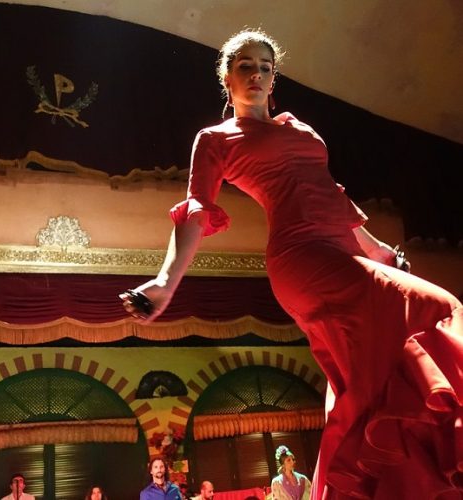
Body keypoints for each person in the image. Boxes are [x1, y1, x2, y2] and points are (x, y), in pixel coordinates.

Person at [121, 29, 463, 499]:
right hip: (300, 257)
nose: (256, 74)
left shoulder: (299, 129)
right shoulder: (216, 139)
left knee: (373, 373)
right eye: (245, 66)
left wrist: (375, 248)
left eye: (265, 66)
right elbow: (196, 210)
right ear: (227, 77)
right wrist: (165, 281)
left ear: (273, 77)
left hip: (340, 250)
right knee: (435, 306)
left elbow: (331, 195)